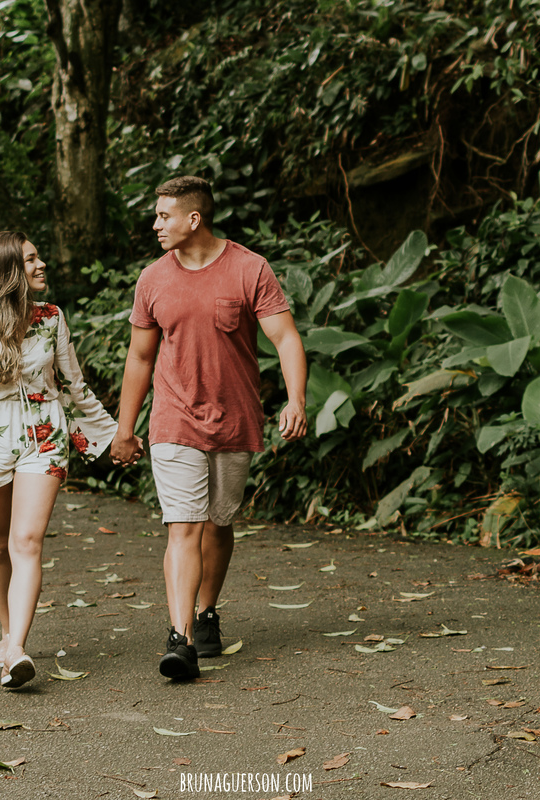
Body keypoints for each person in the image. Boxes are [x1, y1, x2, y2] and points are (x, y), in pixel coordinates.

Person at [109, 176, 308, 681]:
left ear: (193, 219)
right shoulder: (153, 279)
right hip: (173, 418)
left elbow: (285, 338)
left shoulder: (249, 268)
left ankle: (206, 614)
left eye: (164, 216)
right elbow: (139, 357)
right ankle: (180, 639)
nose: (156, 225)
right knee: (184, 525)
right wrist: (125, 428)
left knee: (219, 522)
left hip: (234, 419)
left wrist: (296, 399)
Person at [0, 231, 140, 689]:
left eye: (38, 257)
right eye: (30, 260)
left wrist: (116, 436)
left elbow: (74, 386)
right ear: (8, 271)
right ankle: (6, 631)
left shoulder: (51, 318)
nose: (41, 264)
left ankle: (16, 648)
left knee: (26, 541)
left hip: (44, 435)